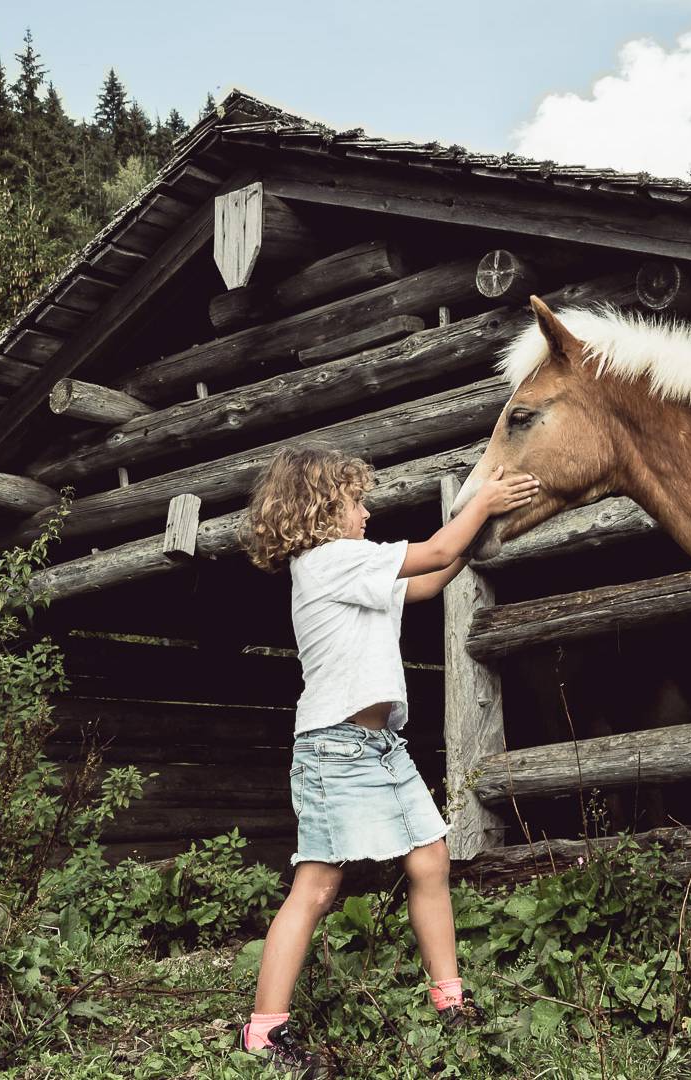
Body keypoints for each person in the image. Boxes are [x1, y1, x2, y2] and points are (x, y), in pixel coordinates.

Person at [232, 445, 538, 1075]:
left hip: (377, 746)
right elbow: (430, 552)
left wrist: (470, 528)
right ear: (321, 510)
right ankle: (263, 1032)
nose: (367, 512)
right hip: (334, 746)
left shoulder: (350, 569)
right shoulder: (328, 561)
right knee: (317, 888)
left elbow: (426, 579)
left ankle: (449, 1001)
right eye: (355, 501)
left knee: (430, 859)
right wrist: (481, 502)